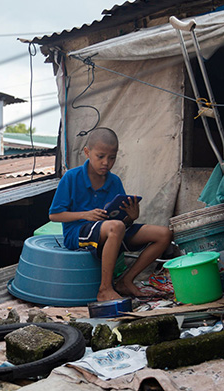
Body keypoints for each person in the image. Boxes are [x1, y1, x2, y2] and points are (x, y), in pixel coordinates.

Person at [48, 128, 172, 301]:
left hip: (112, 231)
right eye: (100, 156)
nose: (106, 162)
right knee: (116, 226)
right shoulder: (71, 177)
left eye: (112, 157)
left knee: (163, 234)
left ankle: (126, 280)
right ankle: (105, 289)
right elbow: (55, 215)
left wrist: (131, 217)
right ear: (87, 152)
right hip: (77, 233)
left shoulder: (114, 181)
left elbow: (121, 222)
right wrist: (85, 215)